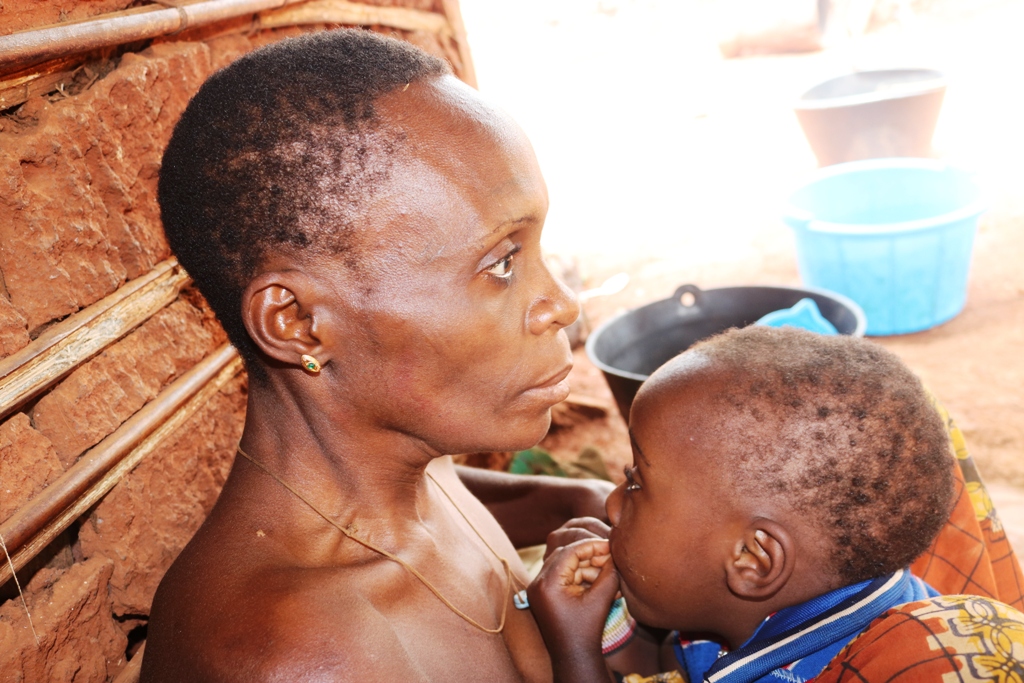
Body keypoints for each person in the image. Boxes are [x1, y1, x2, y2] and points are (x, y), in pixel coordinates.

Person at [141, 29, 616, 682]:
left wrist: (576, 501)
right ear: (299, 323)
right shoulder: (312, 658)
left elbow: (444, 494)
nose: (560, 305)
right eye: (502, 262)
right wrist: (578, 658)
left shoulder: (393, 459)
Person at [528, 326, 1024, 683]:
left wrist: (572, 653)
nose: (611, 504)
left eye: (637, 485)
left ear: (753, 559)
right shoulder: (773, 601)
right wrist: (606, 626)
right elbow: (685, 658)